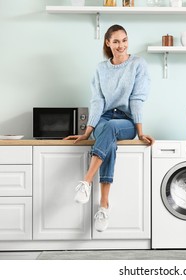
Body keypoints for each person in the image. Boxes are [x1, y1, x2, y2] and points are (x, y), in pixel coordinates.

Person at [64, 24, 154, 232]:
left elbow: (137, 99)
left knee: (112, 127)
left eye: (124, 40)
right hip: (104, 120)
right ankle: (104, 206)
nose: (121, 45)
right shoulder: (100, 69)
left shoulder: (137, 65)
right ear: (108, 43)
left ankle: (86, 182)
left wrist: (140, 132)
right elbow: (97, 101)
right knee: (109, 141)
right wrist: (87, 131)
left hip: (126, 122)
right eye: (116, 41)